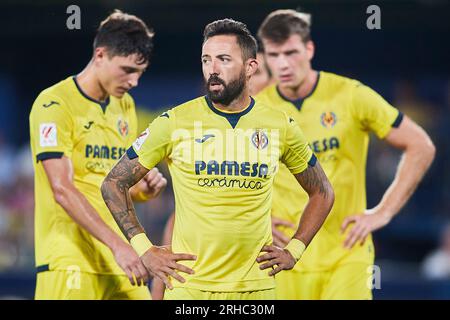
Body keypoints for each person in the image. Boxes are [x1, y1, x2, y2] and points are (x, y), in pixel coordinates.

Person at [101, 18, 334, 300]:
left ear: (251, 67)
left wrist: (294, 251)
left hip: (255, 291)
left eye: (223, 59)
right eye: (206, 59)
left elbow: (322, 192)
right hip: (190, 289)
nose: (212, 68)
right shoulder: (174, 122)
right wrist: (146, 250)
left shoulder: (280, 125)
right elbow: (114, 183)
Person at [256, 9, 436, 299]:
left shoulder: (351, 95)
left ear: (309, 49)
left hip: (346, 255)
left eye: (291, 52)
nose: (283, 64)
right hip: (284, 257)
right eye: (274, 56)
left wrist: (383, 212)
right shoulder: (256, 111)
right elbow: (231, 175)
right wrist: (258, 220)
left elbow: (421, 146)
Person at [29, 10, 167, 300]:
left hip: (122, 262)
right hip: (71, 261)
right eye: (127, 70)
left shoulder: (124, 106)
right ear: (100, 55)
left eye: (139, 73)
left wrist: (145, 189)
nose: (134, 82)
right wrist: (118, 246)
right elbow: (62, 189)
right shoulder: (54, 104)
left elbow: (116, 183)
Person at [150, 35, 277, 301]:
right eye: (207, 61)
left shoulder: (285, 130)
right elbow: (182, 215)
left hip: (275, 270)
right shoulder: (197, 127)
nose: (264, 80)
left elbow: (320, 192)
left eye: (267, 74)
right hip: (208, 280)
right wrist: (160, 288)